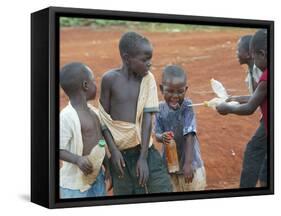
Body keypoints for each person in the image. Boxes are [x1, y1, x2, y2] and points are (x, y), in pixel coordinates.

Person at [99, 32, 172, 195]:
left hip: (145, 150)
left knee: (162, 189)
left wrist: (143, 158)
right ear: (126, 58)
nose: (149, 64)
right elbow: (103, 121)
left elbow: (147, 120)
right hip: (120, 156)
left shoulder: (148, 79)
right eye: (144, 60)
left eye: (150, 59)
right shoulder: (109, 80)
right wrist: (113, 151)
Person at [216, 29, 268, 187]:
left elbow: (251, 106)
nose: (236, 53)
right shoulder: (257, 72)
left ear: (254, 54)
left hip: (267, 122)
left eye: (238, 50)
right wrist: (236, 99)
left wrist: (227, 108)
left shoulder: (264, 74)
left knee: (254, 151)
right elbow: (258, 97)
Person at [154, 65, 206, 192]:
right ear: (161, 89)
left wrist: (188, 164)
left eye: (180, 91)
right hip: (170, 165)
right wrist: (162, 137)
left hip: (191, 165)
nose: (175, 96)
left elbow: (190, 135)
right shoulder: (159, 109)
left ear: (186, 89)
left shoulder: (187, 106)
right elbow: (157, 134)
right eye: (170, 91)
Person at [59, 62, 107, 198]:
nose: (96, 85)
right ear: (85, 85)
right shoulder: (66, 116)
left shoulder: (94, 113)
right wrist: (77, 159)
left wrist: (106, 164)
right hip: (75, 186)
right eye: (93, 81)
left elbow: (101, 142)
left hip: (97, 178)